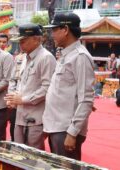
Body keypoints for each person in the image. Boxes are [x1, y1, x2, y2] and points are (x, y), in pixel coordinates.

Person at [43, 13, 95, 160]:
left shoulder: (80, 57)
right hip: (57, 126)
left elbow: (86, 99)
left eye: (54, 30)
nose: (52, 34)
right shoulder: (66, 55)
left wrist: (72, 133)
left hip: (66, 129)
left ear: (65, 29)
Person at [4, 24, 56, 149]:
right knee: (18, 154)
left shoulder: (46, 58)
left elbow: (47, 88)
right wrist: (13, 98)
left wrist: (23, 100)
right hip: (21, 115)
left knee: (33, 157)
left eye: (24, 40)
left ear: (37, 39)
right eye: (20, 41)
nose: (21, 44)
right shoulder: (25, 58)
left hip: (35, 119)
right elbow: (19, 82)